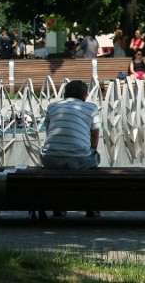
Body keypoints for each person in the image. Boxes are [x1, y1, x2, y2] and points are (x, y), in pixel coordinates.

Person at [39, 80, 101, 217]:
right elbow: (95, 135)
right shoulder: (91, 108)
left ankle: (59, 206)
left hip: (50, 158)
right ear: (84, 96)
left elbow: (49, 130)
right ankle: (91, 207)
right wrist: (91, 151)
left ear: (65, 94)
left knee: (57, 172)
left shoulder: (52, 107)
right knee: (92, 164)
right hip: (79, 159)